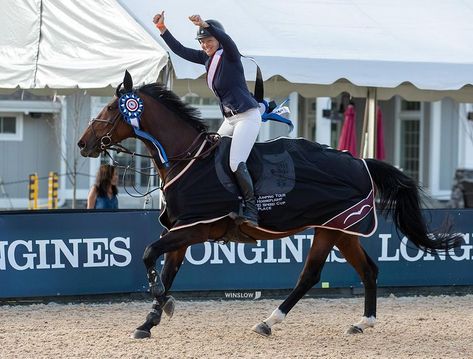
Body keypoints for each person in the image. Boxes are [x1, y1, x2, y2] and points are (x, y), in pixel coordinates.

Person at [153, 12, 260, 226]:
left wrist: (205, 25)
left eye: (208, 40)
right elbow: (180, 50)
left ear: (218, 39)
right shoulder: (206, 59)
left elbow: (229, 41)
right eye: (202, 42)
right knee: (208, 155)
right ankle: (220, 200)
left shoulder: (229, 55)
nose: (205, 45)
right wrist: (163, 30)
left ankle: (251, 209)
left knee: (235, 162)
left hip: (247, 117)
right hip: (230, 119)